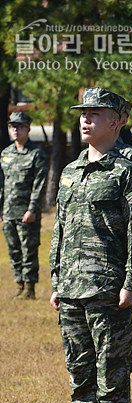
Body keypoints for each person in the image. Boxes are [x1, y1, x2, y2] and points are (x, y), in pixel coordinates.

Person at [48, 87, 132, 403]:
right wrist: (56, 278)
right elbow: (61, 228)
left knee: (111, 367)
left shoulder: (126, 172)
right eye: (83, 112)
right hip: (72, 287)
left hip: (108, 287)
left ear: (117, 121)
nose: (86, 119)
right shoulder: (71, 171)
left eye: (96, 113)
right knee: (79, 367)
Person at [1, 111, 47, 299]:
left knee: (29, 249)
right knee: (13, 250)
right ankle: (19, 284)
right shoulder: (6, 154)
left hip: (27, 212)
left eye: (19, 126)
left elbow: (40, 184)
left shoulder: (37, 154)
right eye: (13, 126)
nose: (15, 130)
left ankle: (30, 288)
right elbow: (2, 184)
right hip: (9, 211)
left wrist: (32, 209)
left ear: (28, 128)